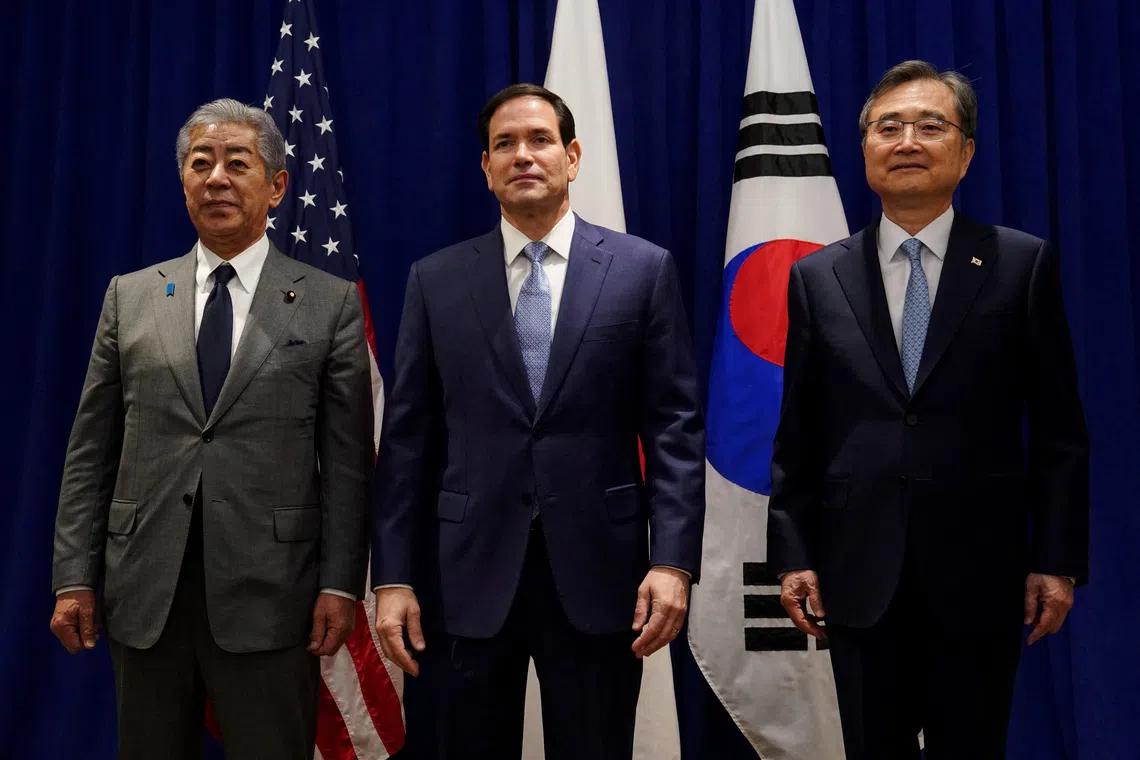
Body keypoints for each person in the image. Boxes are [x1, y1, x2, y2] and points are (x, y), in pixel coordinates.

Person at [371, 83, 705, 759]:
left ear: (572, 157)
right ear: (486, 167)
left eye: (540, 140)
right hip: (464, 577)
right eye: (505, 144)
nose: (523, 155)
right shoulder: (435, 280)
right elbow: (408, 441)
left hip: (600, 573)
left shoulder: (642, 271)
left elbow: (674, 429)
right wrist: (394, 576)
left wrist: (672, 561)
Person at [768, 60, 1089, 760]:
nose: (907, 141)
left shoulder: (1020, 264)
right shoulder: (817, 277)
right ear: (865, 150)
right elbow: (799, 434)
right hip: (857, 572)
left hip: (982, 571)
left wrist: (1056, 559)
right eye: (888, 127)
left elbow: (1060, 432)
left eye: (930, 126)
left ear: (965, 152)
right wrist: (792, 555)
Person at [49, 98, 375, 760]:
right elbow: (91, 451)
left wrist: (341, 583)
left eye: (236, 163)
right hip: (147, 592)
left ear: (277, 186)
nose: (216, 178)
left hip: (272, 595)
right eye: (201, 163)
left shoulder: (328, 303)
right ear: (183, 182)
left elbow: (346, 466)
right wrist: (72, 575)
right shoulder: (131, 296)